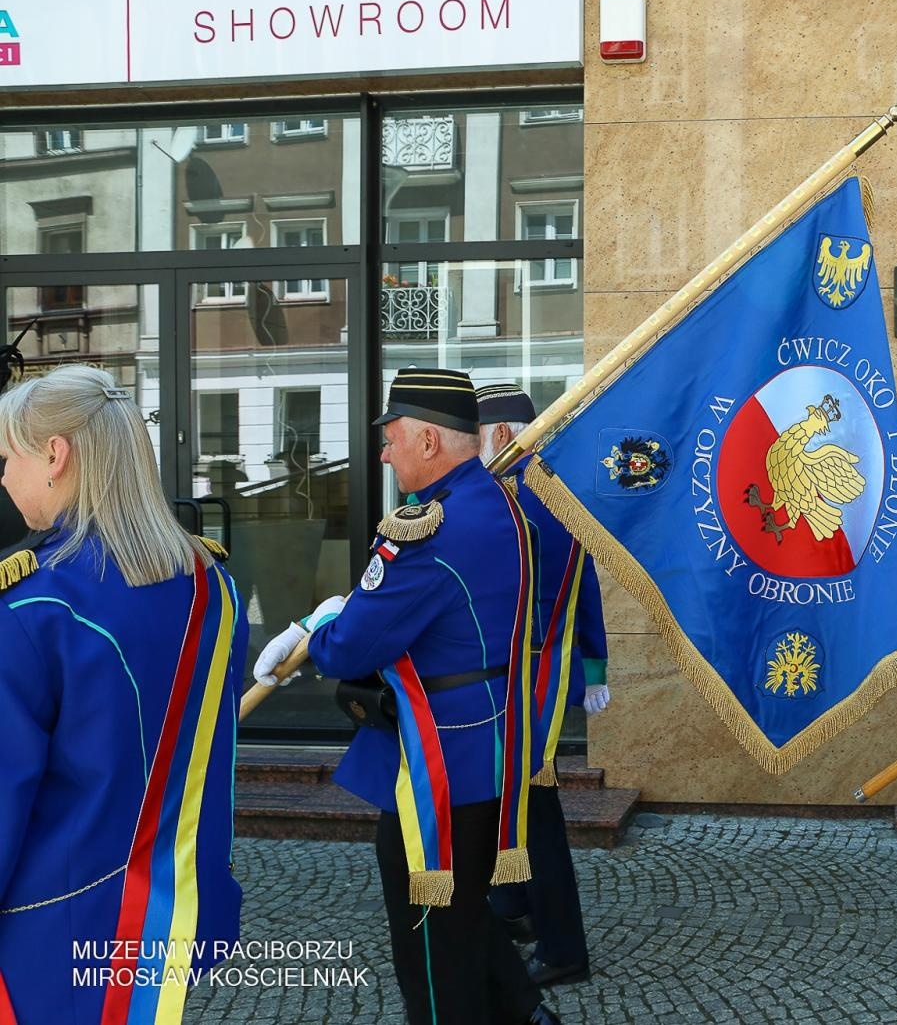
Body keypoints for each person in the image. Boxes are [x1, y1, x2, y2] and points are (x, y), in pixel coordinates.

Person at [252, 368, 557, 1025]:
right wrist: (351, 606)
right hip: (494, 745)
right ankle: (526, 1012)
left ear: (426, 439)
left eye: (391, 439)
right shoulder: (498, 500)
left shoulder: (429, 529)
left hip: (440, 765)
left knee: (432, 953)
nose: (384, 455)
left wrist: (318, 626)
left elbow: (352, 649)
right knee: (467, 918)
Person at [0, 365, 245, 1022]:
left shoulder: (33, 607)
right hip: (178, 909)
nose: (2, 476)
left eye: (6, 457)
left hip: (50, 928)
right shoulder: (212, 585)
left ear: (55, 455)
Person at [476, 382, 608, 986]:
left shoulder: (516, 496)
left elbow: (532, 592)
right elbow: (588, 582)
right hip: (542, 670)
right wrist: (594, 660)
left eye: (473, 436)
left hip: (527, 677)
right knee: (519, 804)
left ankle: (563, 948)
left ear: (502, 434)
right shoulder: (550, 488)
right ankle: (515, 907)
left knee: (537, 814)